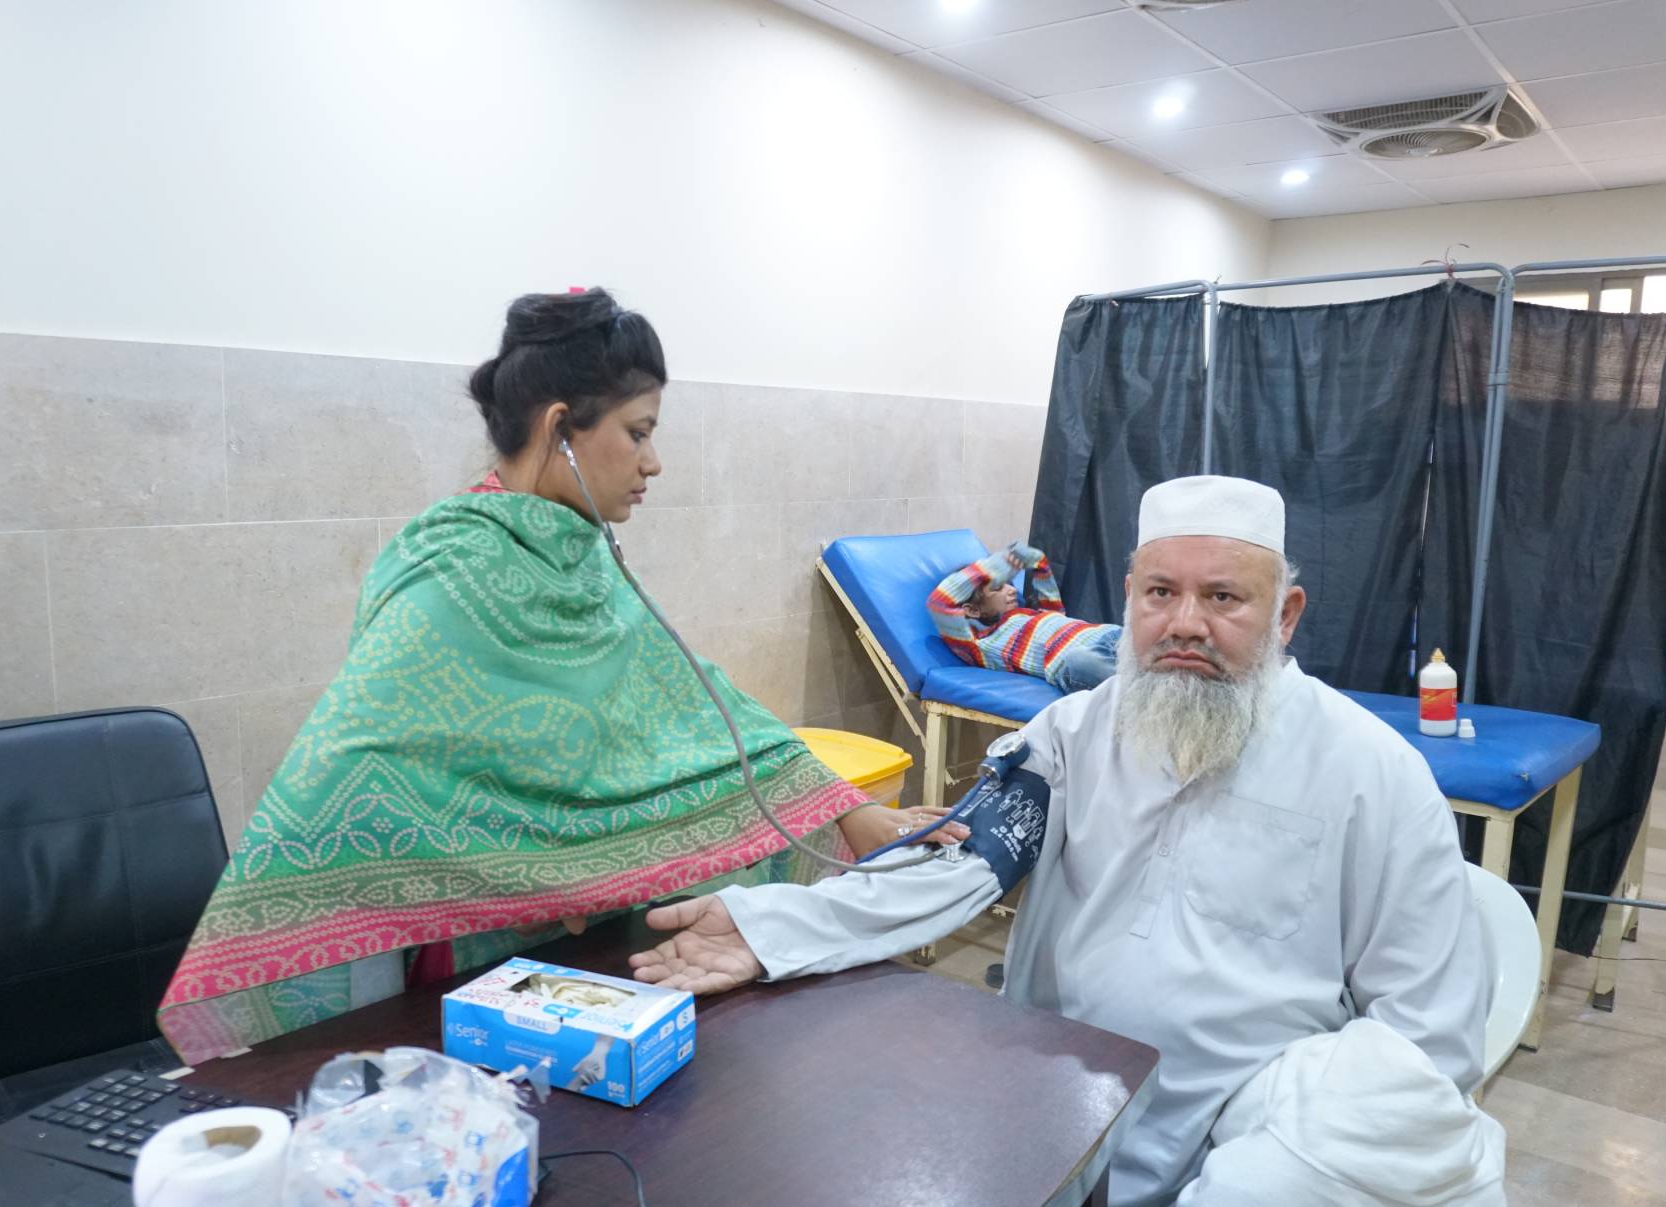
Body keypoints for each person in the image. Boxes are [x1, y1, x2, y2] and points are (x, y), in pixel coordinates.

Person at [632, 476, 1504, 1206]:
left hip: (1244, 1127)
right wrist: (772, 926)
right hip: (1058, 1093)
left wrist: (1279, 1165)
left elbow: (1428, 1031)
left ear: (1286, 616)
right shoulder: (1068, 735)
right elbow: (952, 870)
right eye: (1160, 593)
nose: (1186, 623)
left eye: (1224, 597)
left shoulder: (1373, 775)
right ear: (1130, 599)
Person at [157, 289, 963, 1063]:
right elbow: (361, 772)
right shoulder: (450, 571)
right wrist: (552, 868)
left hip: (600, 962)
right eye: (638, 432)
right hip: (472, 982)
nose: (655, 462)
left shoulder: (581, 558)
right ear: (560, 429)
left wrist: (846, 810)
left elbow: (695, 708)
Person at [927, 541, 1123, 692]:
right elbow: (939, 602)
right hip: (1080, 663)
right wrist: (994, 567)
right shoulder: (979, 645)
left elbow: (1056, 612)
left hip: (1110, 637)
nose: (1012, 590)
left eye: (1009, 583)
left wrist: (1040, 565)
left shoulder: (1027, 615)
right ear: (973, 610)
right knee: (1079, 660)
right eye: (998, 588)